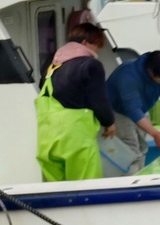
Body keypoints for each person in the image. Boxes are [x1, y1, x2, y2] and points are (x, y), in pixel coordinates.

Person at [35, 22, 117, 182]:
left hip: (47, 138)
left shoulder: (52, 65)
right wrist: (109, 122)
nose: (98, 51)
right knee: (86, 187)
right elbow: (98, 100)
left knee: (54, 190)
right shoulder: (91, 65)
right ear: (85, 42)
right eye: (97, 46)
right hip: (75, 139)